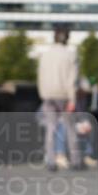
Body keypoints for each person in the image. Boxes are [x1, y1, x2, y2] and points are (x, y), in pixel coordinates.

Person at [37, 26, 82, 172]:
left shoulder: (45, 55)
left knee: (51, 128)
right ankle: (75, 160)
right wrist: (73, 100)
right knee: (70, 128)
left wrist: (43, 94)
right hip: (64, 95)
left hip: (48, 95)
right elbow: (72, 80)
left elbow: (41, 77)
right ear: (67, 38)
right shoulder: (71, 55)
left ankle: (51, 161)